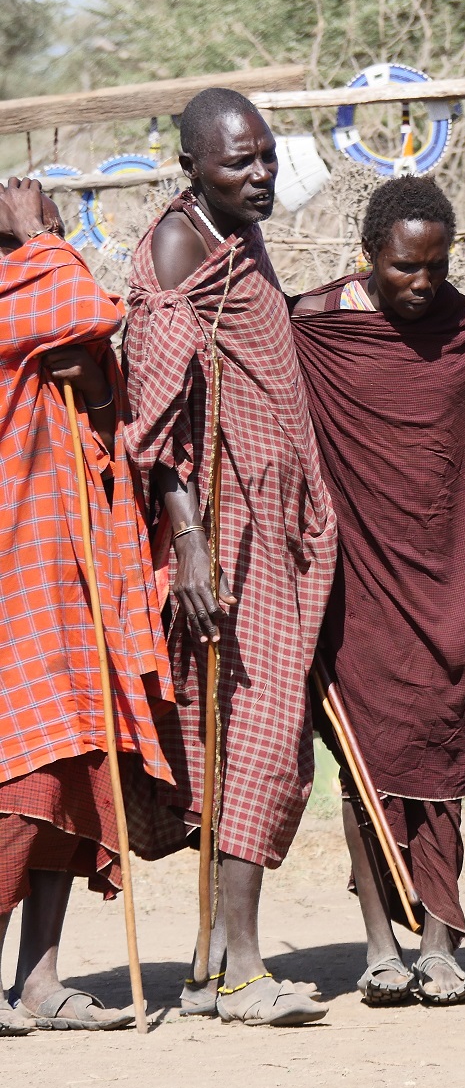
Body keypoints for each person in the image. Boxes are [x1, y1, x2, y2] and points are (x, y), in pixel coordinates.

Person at [124, 87, 337, 1026]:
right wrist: (194, 545)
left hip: (273, 518)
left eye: (263, 157)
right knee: (254, 732)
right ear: (192, 168)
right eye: (237, 162)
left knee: (244, 731)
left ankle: (212, 961)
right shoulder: (178, 248)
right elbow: (153, 419)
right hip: (224, 530)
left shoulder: (240, 235)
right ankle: (246, 968)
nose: (259, 175)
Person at [291, 175, 465, 1007]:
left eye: (436, 266)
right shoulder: (318, 329)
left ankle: (441, 943)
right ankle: (380, 947)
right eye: (405, 266)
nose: (422, 282)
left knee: (441, 753)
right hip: (359, 582)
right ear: (369, 255)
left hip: (448, 572)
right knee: (366, 764)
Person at [0, 177, 184, 1033]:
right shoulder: (29, 291)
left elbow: (100, 385)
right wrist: (45, 233)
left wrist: (99, 391)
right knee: (22, 775)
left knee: (77, 766)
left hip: (64, 571)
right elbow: (88, 307)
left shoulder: (34, 292)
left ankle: (39, 980)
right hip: (13, 572)